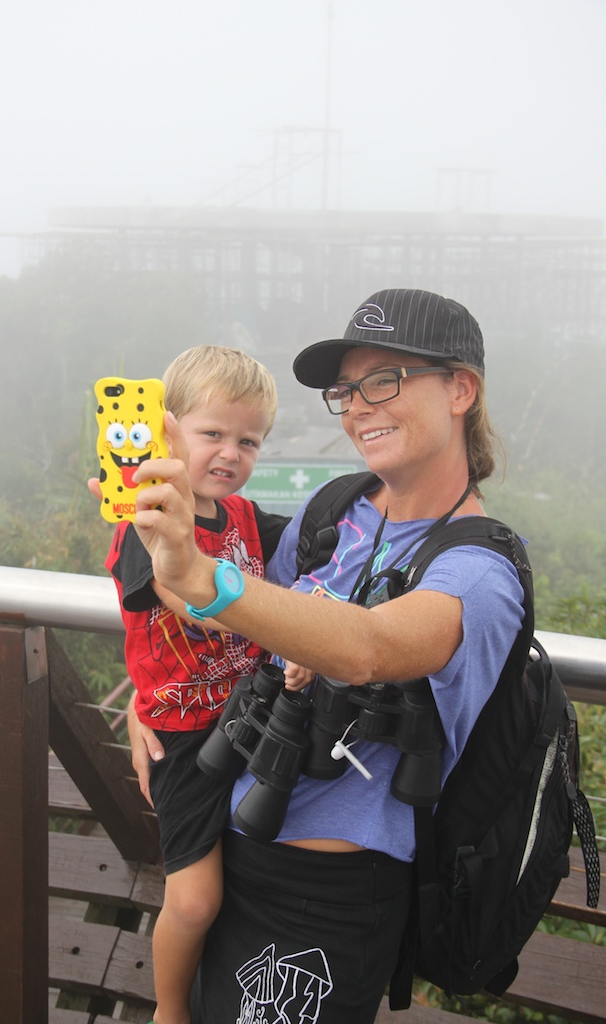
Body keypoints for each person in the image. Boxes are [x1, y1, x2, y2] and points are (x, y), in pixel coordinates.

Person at [128, 289, 525, 1024]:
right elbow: (250, 623)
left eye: (385, 381)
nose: (357, 408)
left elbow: (369, 649)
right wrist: (143, 694)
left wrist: (193, 574)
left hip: (326, 897)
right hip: (233, 841)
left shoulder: (479, 568)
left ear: (460, 388)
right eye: (347, 391)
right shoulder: (330, 514)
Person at [100, 345, 310, 1024]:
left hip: (250, 722)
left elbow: (322, 543)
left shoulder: (245, 519)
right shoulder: (151, 517)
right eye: (211, 433)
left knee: (255, 875)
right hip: (185, 741)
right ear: (167, 432)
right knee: (193, 900)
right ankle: (168, 1010)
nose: (230, 453)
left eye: (248, 440)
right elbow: (183, 596)